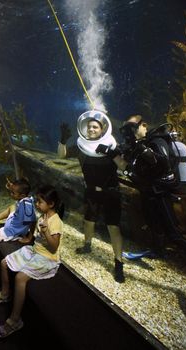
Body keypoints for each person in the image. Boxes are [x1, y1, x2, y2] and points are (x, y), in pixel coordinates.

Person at [0, 185, 64, 338]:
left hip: (47, 258)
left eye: (40, 202)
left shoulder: (56, 221)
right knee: (4, 263)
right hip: (34, 251)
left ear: (51, 204)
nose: (37, 204)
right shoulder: (44, 216)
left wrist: (46, 231)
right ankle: (5, 293)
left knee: (20, 278)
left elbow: (54, 247)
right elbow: (36, 232)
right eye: (37, 201)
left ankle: (15, 320)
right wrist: (30, 237)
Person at [58, 110, 126, 283]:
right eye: (89, 126)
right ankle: (87, 245)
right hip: (91, 192)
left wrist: (112, 153)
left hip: (111, 192)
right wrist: (63, 140)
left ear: (102, 129)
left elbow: (123, 166)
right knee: (88, 221)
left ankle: (118, 264)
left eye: (95, 126)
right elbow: (62, 155)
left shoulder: (111, 145)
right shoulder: (81, 147)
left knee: (113, 227)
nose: (91, 129)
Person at [120, 115, 186, 267]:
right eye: (126, 129)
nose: (129, 132)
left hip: (163, 194)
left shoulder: (157, 140)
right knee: (154, 225)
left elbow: (163, 164)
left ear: (143, 125)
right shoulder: (140, 144)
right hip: (150, 192)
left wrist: (144, 150)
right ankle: (157, 251)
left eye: (132, 128)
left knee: (174, 235)